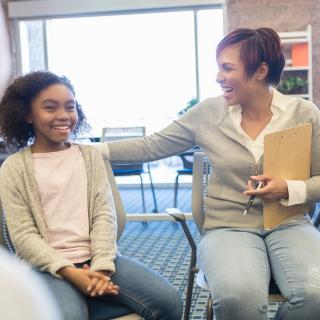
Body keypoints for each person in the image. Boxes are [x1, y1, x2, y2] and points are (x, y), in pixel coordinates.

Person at [97, 28, 320, 319]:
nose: (218, 77)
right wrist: (90, 151)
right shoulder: (208, 113)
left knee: (315, 294)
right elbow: (151, 146)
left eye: (227, 68)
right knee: (239, 297)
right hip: (227, 226)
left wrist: (289, 189)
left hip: (289, 223)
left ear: (260, 71)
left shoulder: (304, 113)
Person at [0, 71, 183, 320]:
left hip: (98, 259)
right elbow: (23, 236)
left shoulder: (90, 156)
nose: (63, 116)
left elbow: (103, 215)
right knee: (71, 315)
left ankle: (85, 300)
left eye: (70, 107)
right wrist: (70, 273)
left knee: (169, 301)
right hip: (47, 267)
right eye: (50, 108)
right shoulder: (13, 167)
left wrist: (101, 269)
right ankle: (80, 302)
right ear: (28, 114)